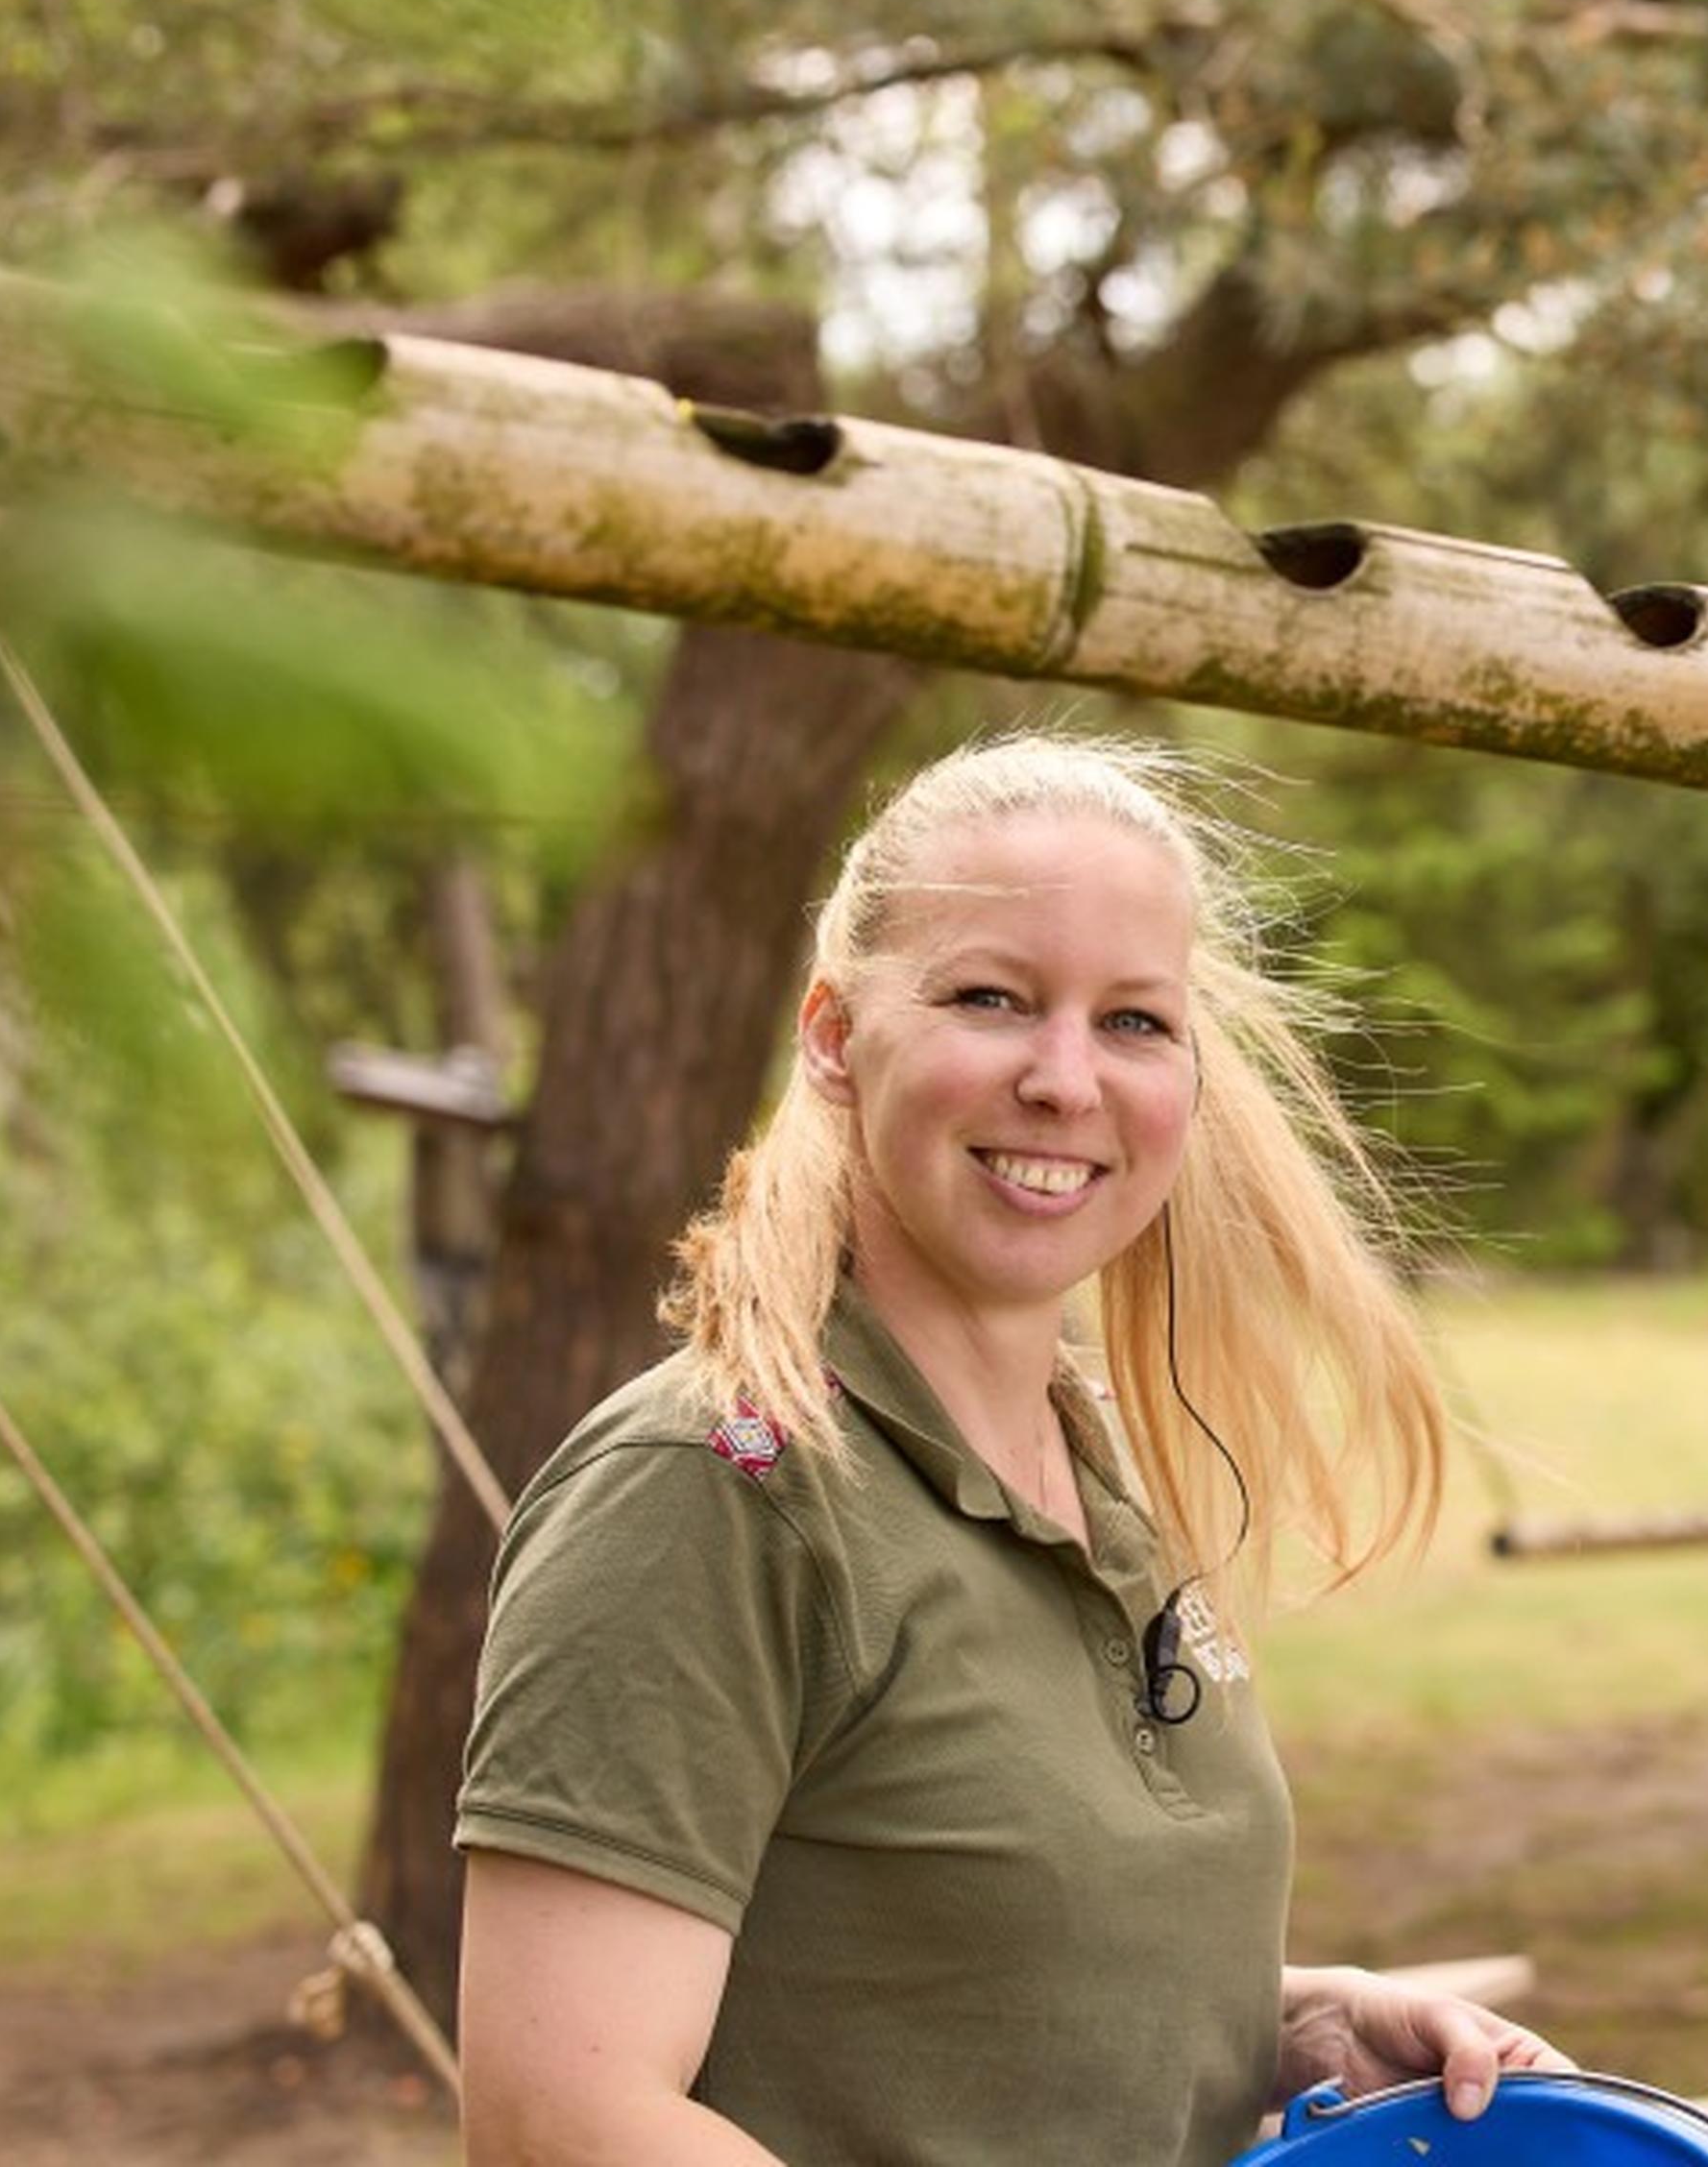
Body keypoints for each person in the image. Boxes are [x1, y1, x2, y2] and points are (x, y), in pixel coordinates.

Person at [453, 731, 1568, 2164]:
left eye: (1134, 1020)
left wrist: (1299, 2027)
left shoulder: (1106, 1473)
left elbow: (963, 1980)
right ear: (836, 1035)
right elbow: (565, 2120)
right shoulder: (712, 1490)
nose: (1064, 1078)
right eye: (993, 997)